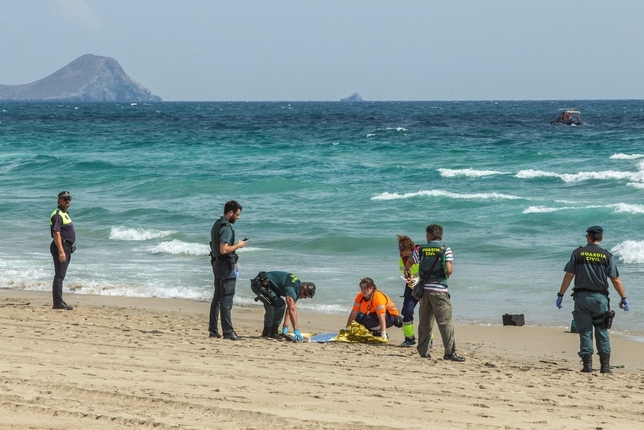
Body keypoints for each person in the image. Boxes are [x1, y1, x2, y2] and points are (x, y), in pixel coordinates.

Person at [556, 226, 629, 373]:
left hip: (581, 299)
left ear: (588, 237)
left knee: (585, 332)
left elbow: (569, 275)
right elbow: (615, 279)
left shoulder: (577, 253)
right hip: (600, 299)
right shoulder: (607, 256)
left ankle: (587, 366)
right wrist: (624, 297)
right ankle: (605, 366)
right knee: (602, 331)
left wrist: (561, 294)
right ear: (601, 238)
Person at [411, 224, 465, 361]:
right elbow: (449, 270)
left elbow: (410, 262)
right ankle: (449, 353)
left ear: (429, 235)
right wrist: (446, 276)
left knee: (425, 323)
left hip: (424, 292)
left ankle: (423, 352)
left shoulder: (420, 249)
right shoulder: (445, 249)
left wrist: (407, 271)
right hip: (439, 291)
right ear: (440, 235)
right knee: (445, 323)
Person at [209, 200, 247, 340]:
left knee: (217, 298)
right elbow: (224, 249)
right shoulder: (225, 227)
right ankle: (228, 331)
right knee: (226, 299)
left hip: (216, 264)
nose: (238, 217)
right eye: (237, 214)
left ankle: (213, 330)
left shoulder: (217, 224)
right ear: (230, 212)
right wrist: (238, 245)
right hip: (225, 266)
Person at [250, 271, 316, 341]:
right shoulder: (291, 288)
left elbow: (290, 308)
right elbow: (292, 309)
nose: (304, 297)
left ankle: (266, 331)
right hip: (258, 284)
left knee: (272, 304)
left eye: (307, 297)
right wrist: (296, 329)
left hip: (268, 286)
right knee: (280, 305)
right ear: (303, 288)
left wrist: (285, 327)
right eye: (305, 295)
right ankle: (273, 331)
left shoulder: (297, 288)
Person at [50, 190, 76, 310]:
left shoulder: (64, 213)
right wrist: (61, 250)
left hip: (67, 247)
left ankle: (59, 301)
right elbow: (56, 233)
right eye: (64, 199)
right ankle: (57, 303)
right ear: (59, 200)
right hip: (61, 246)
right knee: (59, 275)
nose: (67, 201)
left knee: (61, 275)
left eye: (69, 199)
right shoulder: (57, 214)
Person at [397, 235, 421, 347]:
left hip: (423, 286)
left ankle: (427, 339)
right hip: (411, 287)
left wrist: (418, 278)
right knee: (406, 311)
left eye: (402, 249)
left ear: (409, 247)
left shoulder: (420, 254)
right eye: (399, 248)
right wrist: (407, 276)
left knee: (426, 313)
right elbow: (404, 272)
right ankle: (409, 338)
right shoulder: (402, 259)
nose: (400, 251)